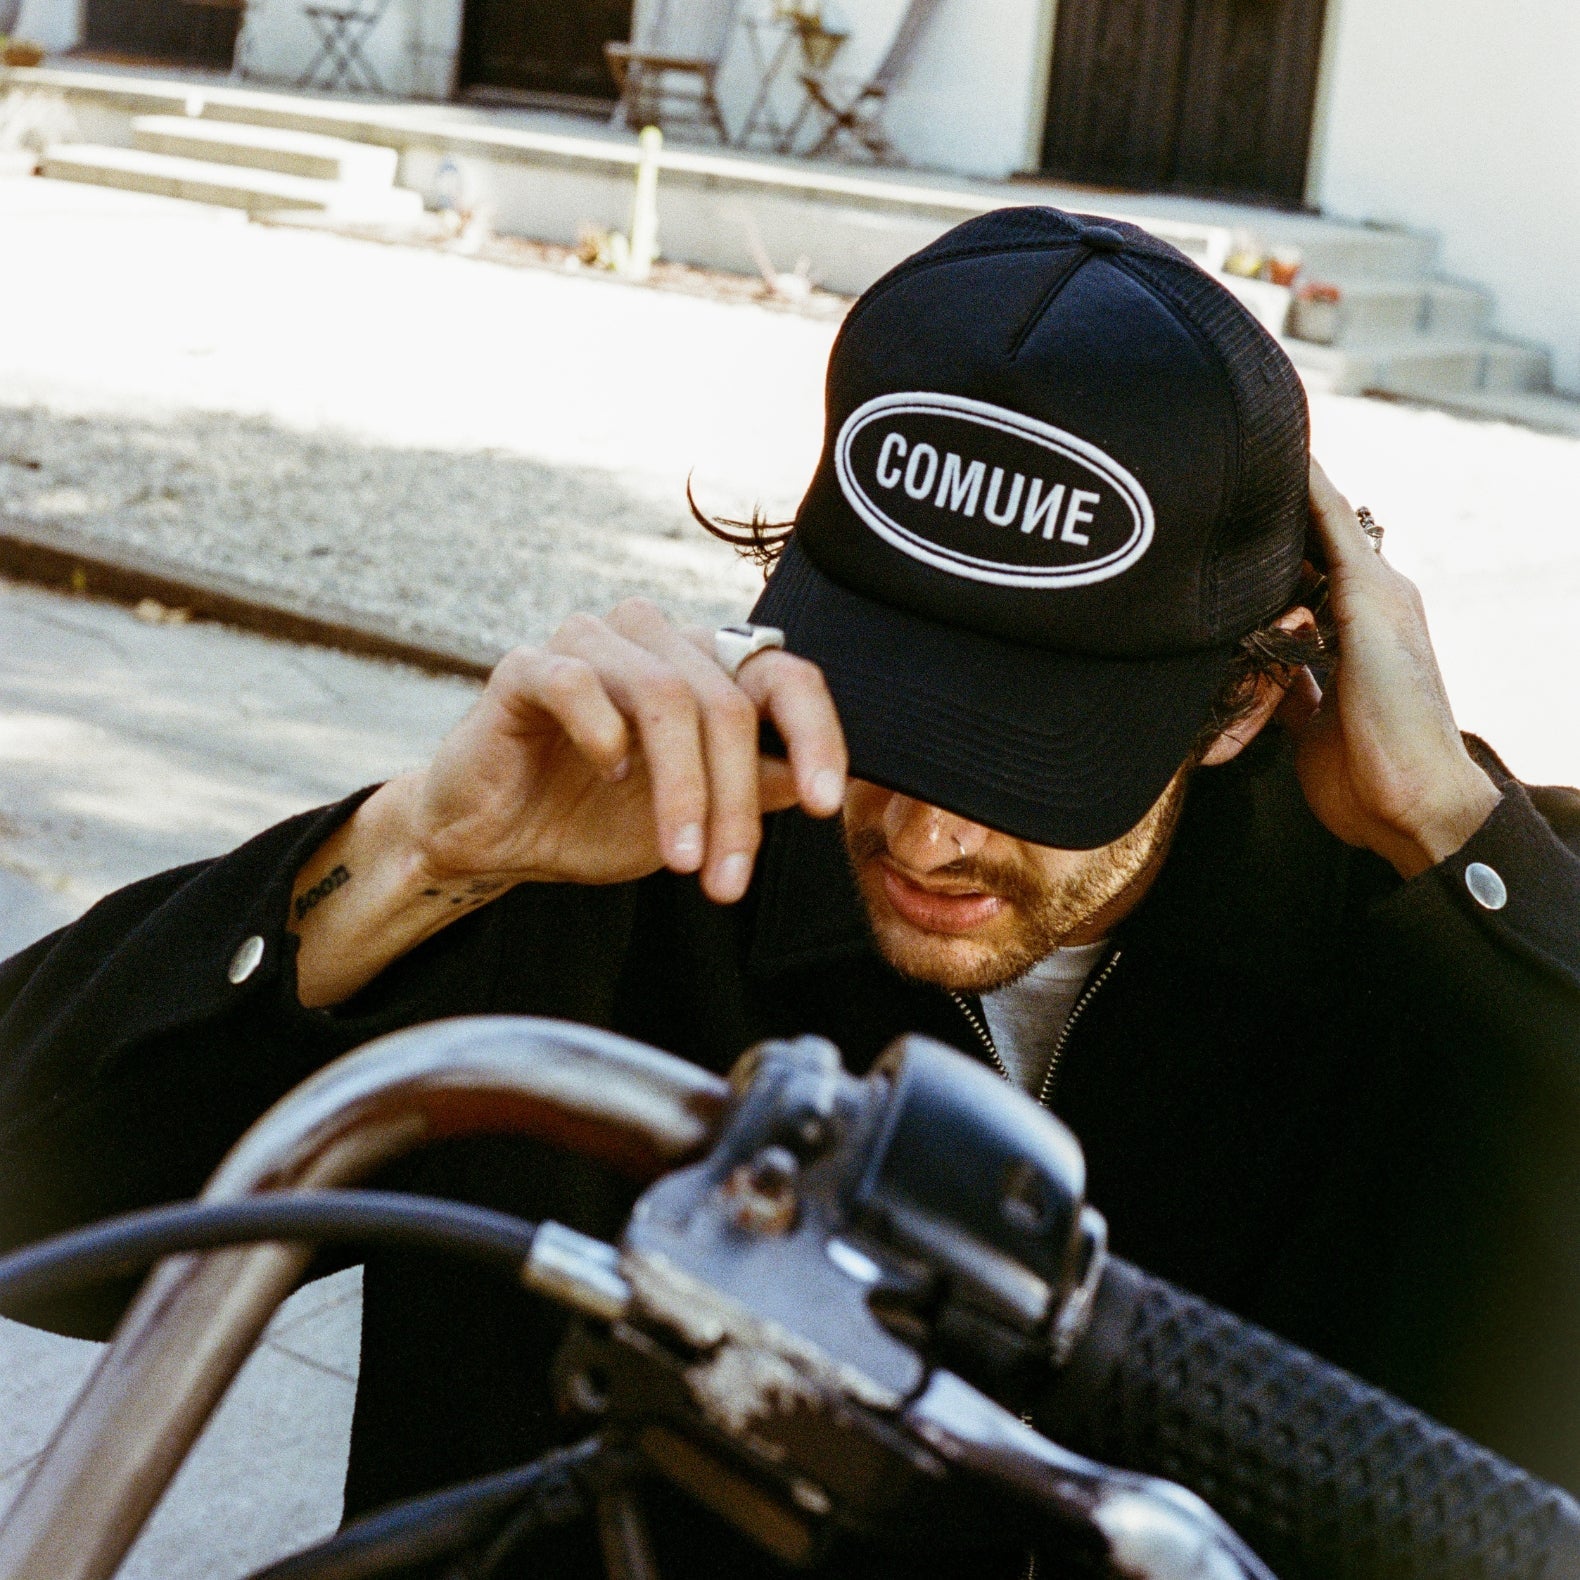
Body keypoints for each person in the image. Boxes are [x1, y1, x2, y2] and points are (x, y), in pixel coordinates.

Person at [2, 209, 1578, 1578]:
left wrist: (1461, 848)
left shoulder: (1439, 942)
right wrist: (421, 854)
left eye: (1037, 760)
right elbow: (41, 1195)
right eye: (894, 703)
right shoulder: (622, 852)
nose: (929, 835)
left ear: (1249, 700)